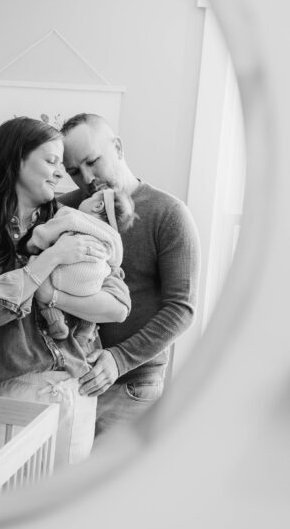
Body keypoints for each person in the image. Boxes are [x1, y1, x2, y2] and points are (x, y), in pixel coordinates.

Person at [0, 116, 131, 466]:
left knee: (63, 499)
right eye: (51, 161)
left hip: (75, 389)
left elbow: (118, 305)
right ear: (16, 162)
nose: (60, 173)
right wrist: (53, 257)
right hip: (8, 392)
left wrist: (51, 295)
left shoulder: (72, 221)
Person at [58, 112, 200, 437]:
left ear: (118, 148)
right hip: (66, 380)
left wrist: (119, 359)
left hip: (132, 387)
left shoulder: (169, 214)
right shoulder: (65, 211)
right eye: (74, 171)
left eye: (92, 161)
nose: (86, 178)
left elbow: (182, 309)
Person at [27, 186, 136, 341]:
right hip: (91, 287)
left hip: (60, 276)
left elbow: (46, 233)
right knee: (99, 284)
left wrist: (34, 244)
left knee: (36, 264)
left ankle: (54, 319)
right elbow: (115, 263)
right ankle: (87, 327)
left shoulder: (71, 215)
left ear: (98, 205)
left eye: (90, 198)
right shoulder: (115, 238)